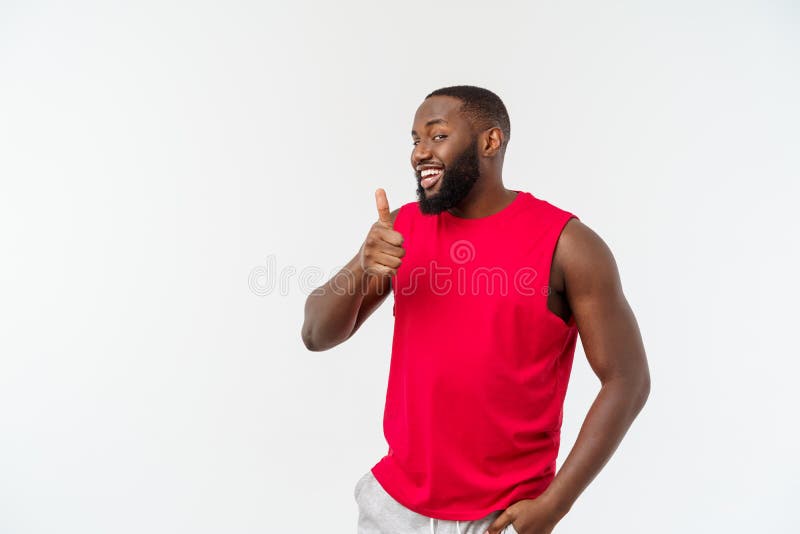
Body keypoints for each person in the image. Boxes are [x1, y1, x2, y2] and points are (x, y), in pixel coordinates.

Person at [301, 85, 650, 534]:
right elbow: (315, 334)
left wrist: (556, 504)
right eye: (414, 140)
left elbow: (628, 379)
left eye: (437, 136)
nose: (419, 154)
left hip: (501, 517)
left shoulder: (568, 245)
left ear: (490, 141)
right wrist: (363, 266)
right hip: (393, 509)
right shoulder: (401, 229)